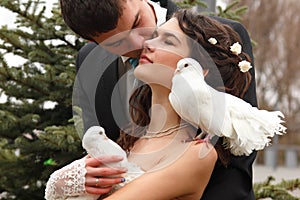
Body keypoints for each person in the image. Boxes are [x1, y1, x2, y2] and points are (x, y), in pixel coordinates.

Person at [58, 0, 258, 199]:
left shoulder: (219, 39)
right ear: (96, 42)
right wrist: (78, 178)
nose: (141, 44)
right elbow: (102, 150)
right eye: (117, 42)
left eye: (137, 23)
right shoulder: (88, 62)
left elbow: (235, 163)